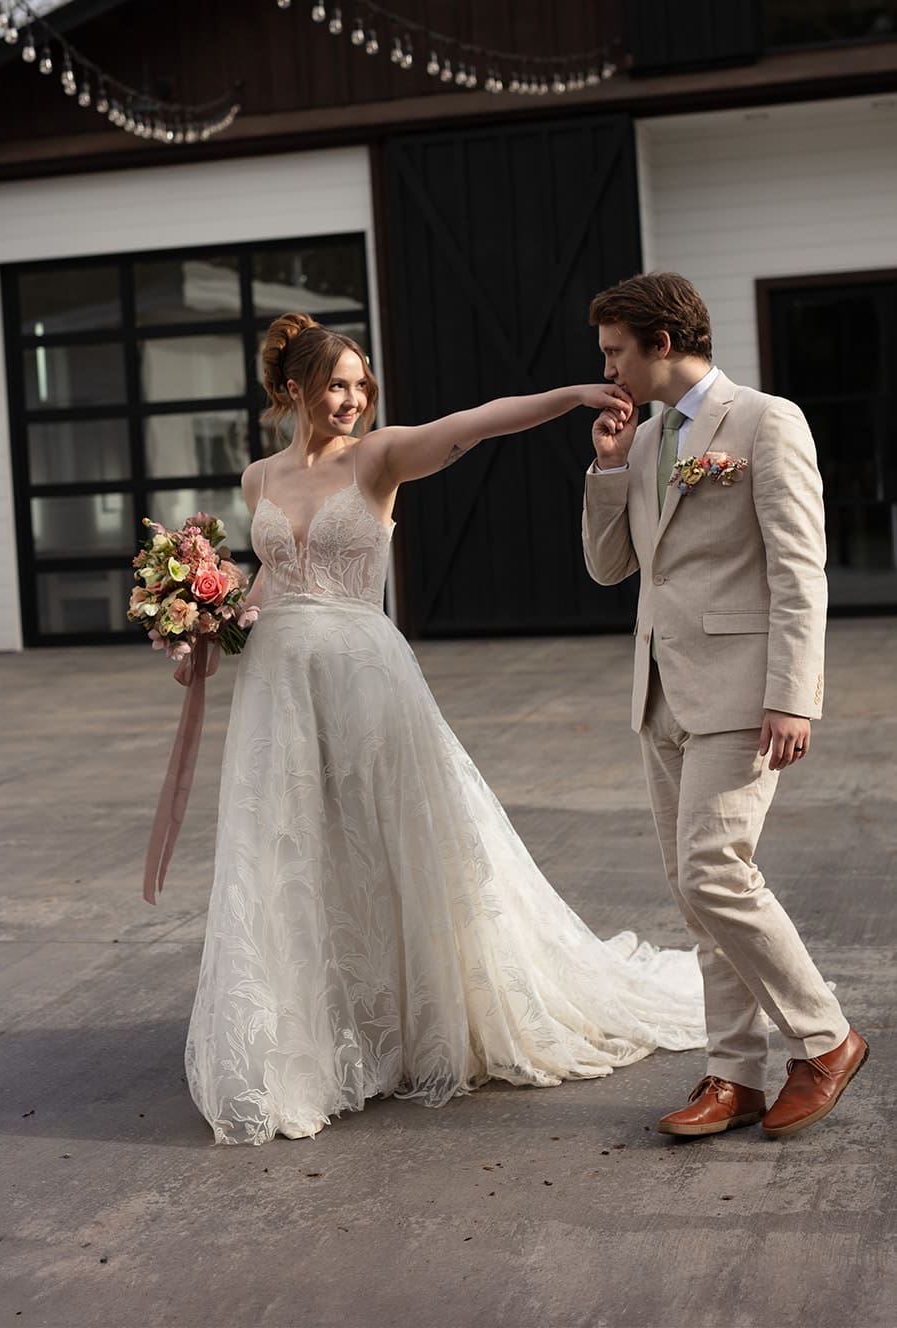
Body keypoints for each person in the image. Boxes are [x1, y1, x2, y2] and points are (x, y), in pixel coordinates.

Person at [184, 310, 706, 1146]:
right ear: (294, 391)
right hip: (278, 686)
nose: (352, 399)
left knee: (387, 841)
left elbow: (476, 423)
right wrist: (209, 627)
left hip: (365, 679)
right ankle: (313, 1032)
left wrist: (573, 394)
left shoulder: (379, 457)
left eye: (360, 384)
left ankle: (413, 1019)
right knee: (291, 849)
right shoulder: (257, 480)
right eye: (335, 386)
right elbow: (270, 587)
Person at [582, 272, 867, 1139]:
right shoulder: (636, 438)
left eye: (614, 352)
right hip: (659, 688)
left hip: (744, 691)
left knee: (714, 869)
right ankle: (732, 1073)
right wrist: (603, 466)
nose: (607, 370)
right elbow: (608, 568)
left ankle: (824, 1040)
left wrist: (793, 695)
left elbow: (797, 568)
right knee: (693, 887)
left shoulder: (763, 420)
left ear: (660, 344)